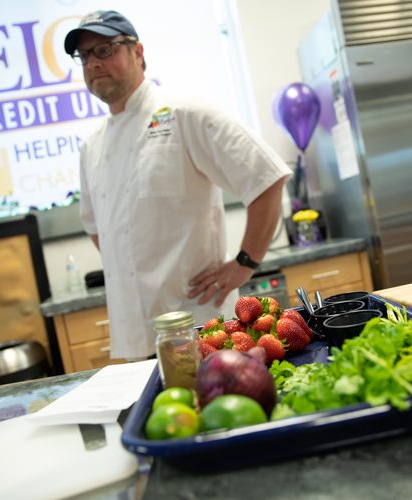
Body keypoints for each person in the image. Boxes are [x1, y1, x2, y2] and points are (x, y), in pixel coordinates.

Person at [64, 10, 292, 360]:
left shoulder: (185, 113)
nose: (93, 63)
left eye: (105, 49)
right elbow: (100, 230)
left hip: (202, 325)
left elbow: (265, 176)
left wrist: (245, 262)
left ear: (137, 52)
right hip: (135, 336)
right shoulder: (91, 146)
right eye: (85, 56)